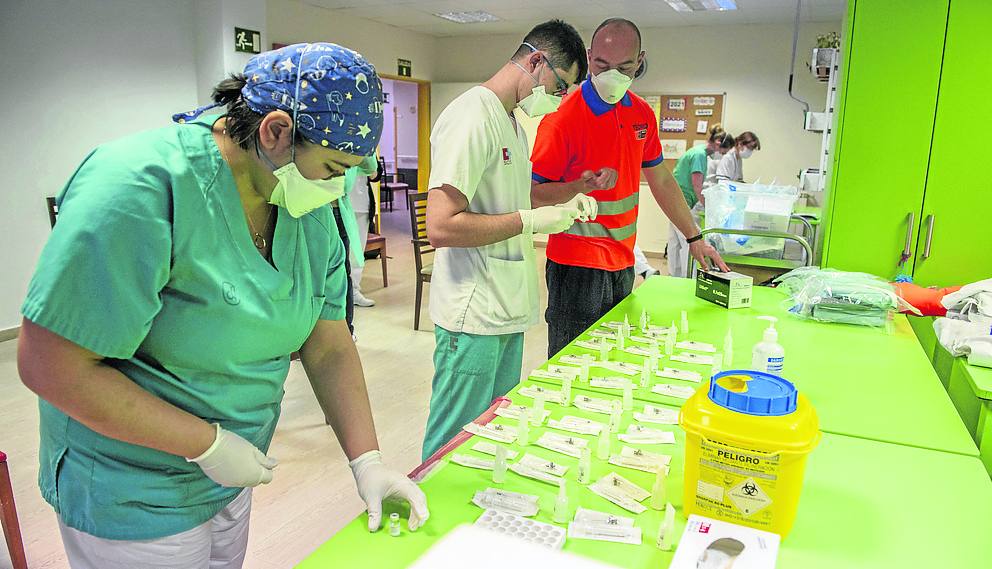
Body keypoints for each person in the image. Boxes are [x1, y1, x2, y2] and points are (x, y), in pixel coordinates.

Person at [16, 43, 427, 569]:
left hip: (233, 472)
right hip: (132, 486)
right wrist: (206, 444)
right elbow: (51, 366)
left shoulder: (300, 198)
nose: (334, 189)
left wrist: (366, 461)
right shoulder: (140, 189)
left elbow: (326, 342)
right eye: (330, 168)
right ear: (275, 131)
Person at [421, 20, 590, 461]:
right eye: (562, 85)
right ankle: (432, 522)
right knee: (452, 441)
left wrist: (572, 196)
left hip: (505, 309)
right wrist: (529, 221)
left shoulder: (510, 122)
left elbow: (518, 197)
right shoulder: (471, 115)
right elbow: (440, 226)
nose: (560, 99)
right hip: (473, 310)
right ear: (536, 61)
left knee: (488, 433)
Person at [531, 18, 729, 357]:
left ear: (640, 61)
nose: (613, 74)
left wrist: (694, 237)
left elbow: (662, 179)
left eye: (624, 67)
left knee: (613, 359)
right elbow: (534, 196)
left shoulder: (641, 114)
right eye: (603, 65)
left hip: (622, 264)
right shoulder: (562, 118)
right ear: (590, 58)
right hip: (577, 267)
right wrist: (580, 186)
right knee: (572, 363)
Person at [667, 125, 736, 277]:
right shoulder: (699, 155)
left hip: (675, 199)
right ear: (718, 142)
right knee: (689, 240)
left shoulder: (697, 152)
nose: (723, 155)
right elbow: (697, 186)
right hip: (681, 201)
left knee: (674, 242)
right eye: (724, 152)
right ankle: (687, 278)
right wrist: (709, 207)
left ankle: (674, 276)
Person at [347, 153, 383, 308]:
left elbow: (376, 175)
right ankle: (339, 292)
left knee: (357, 252)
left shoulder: (367, 144)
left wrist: (367, 163)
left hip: (362, 205)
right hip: (339, 203)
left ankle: (354, 290)